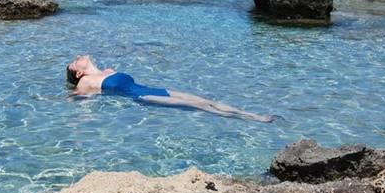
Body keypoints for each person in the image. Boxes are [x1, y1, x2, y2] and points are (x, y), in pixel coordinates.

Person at [65, 55, 276, 122]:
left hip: (154, 89)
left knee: (204, 99)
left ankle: (249, 114)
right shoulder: (86, 82)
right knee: (199, 107)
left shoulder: (107, 70)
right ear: (78, 73)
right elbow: (79, 101)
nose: (77, 58)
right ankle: (252, 119)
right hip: (141, 97)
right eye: (74, 62)